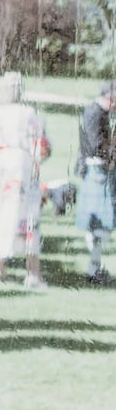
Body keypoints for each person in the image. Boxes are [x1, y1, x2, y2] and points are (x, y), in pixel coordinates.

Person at [0, 72, 49, 287]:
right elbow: (40, 143)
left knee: (0, 212)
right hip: (21, 161)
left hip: (1, 162)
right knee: (26, 214)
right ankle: (32, 272)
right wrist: (37, 161)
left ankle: (0, 269)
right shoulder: (28, 113)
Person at [75, 82, 115, 284]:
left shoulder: (101, 113)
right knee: (100, 222)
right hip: (97, 170)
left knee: (102, 224)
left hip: (100, 170)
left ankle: (95, 266)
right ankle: (93, 268)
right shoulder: (94, 113)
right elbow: (97, 145)